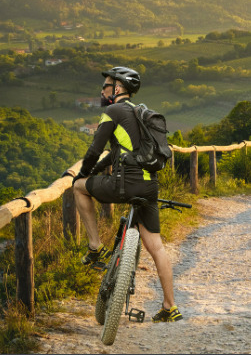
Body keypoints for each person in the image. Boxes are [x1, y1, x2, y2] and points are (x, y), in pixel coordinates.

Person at [63, 66, 183, 323]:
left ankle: (95, 246)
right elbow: (114, 153)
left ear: (117, 89)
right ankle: (170, 306)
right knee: (157, 247)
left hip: (124, 184)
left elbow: (95, 150)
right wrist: (94, 170)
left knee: (78, 188)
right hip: (149, 186)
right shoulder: (140, 114)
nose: (103, 90)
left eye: (106, 85)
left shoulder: (113, 111)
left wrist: (81, 175)